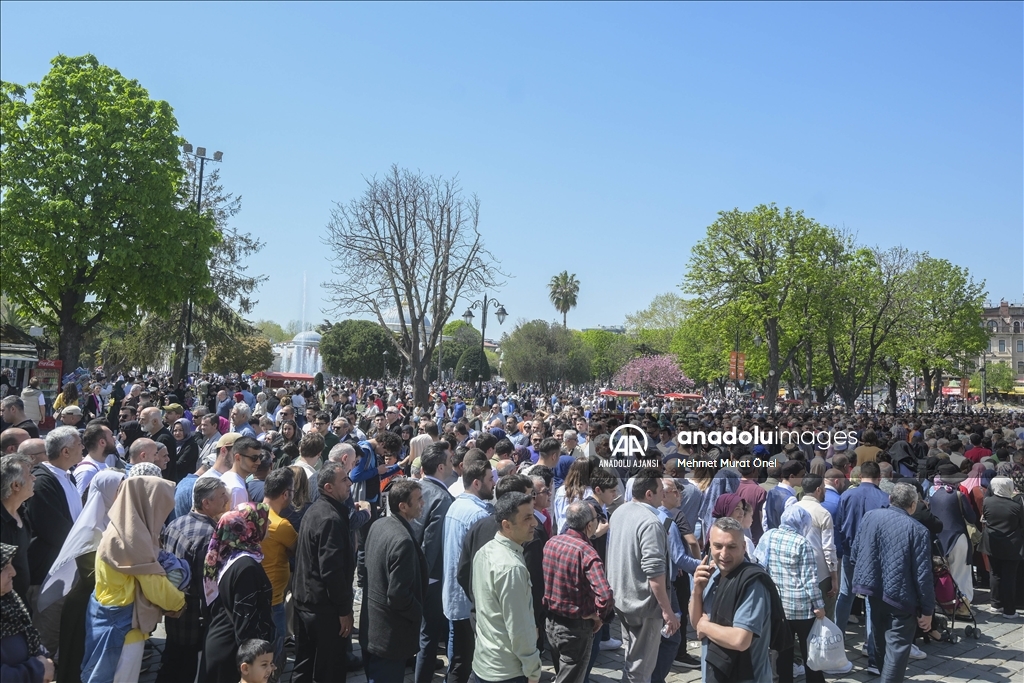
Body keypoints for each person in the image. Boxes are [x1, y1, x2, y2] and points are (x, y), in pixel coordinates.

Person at [81, 476, 187, 683]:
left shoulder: (121, 529)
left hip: (109, 616)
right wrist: (179, 602)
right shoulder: (130, 539)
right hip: (122, 626)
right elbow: (153, 584)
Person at [40, 470, 123, 683]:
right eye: (119, 490)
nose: (123, 495)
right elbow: (92, 576)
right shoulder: (90, 528)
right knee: (76, 663)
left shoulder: (110, 522)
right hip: (83, 609)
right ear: (107, 493)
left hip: (97, 606)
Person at [851, 483, 934, 681]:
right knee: (897, 646)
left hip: (873, 590)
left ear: (890, 499)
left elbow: (855, 553)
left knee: (879, 639)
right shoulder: (918, 530)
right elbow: (923, 574)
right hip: (901, 596)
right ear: (913, 505)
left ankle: (884, 676)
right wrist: (928, 610)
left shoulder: (870, 516)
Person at [690, 517, 782, 683]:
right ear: (710, 545)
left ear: (743, 546)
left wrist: (705, 626)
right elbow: (695, 623)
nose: (724, 554)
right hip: (714, 674)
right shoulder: (711, 574)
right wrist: (697, 591)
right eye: (718, 546)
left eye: (731, 547)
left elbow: (740, 640)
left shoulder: (752, 583)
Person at [606, 473, 678, 683]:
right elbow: (655, 571)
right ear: (649, 494)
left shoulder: (620, 511)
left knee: (631, 655)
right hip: (643, 605)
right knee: (641, 667)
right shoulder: (651, 523)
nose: (663, 495)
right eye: (661, 491)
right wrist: (667, 611)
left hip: (621, 597)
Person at [157, 477, 230, 683]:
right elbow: (206, 587)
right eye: (222, 496)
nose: (227, 500)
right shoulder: (209, 537)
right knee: (186, 670)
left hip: (173, 613)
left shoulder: (176, 522)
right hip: (193, 620)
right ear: (206, 503)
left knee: (170, 663)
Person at [291, 461, 355, 683]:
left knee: (305, 663)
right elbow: (332, 570)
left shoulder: (317, 510)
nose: (350, 483)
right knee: (330, 668)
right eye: (344, 480)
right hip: (322, 608)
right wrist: (344, 610)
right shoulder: (330, 518)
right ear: (328, 488)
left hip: (307, 601)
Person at [470, 491, 542, 683]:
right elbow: (520, 629)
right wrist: (533, 671)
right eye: (527, 518)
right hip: (508, 672)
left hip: (483, 663)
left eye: (533, 514)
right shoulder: (511, 568)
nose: (534, 522)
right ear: (506, 525)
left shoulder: (485, 551)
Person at [200, 502, 274, 683]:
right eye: (263, 519)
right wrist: (258, 666)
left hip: (221, 641)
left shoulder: (228, 555)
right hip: (233, 655)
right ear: (249, 528)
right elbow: (245, 624)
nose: (269, 523)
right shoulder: (246, 567)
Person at [26, 426, 84, 655]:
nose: (83, 447)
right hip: (46, 577)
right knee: (44, 642)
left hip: (64, 573)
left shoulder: (66, 477)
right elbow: (55, 530)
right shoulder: (43, 482)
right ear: (65, 451)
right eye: (79, 444)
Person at [542, 501, 614, 683]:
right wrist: (599, 616)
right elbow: (605, 595)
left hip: (551, 623)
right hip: (576, 628)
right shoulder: (587, 553)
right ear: (589, 525)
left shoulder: (551, 543)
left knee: (562, 673)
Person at [363, 479, 427, 682]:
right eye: (418, 500)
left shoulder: (378, 524)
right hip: (390, 634)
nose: (422, 503)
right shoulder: (403, 541)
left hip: (372, 628)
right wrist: (418, 612)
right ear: (403, 506)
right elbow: (398, 595)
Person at [753, 506, 826, 683]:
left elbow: (759, 563)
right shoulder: (802, 543)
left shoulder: (769, 535)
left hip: (779, 606)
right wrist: (819, 606)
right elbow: (810, 580)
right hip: (802, 608)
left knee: (784, 651)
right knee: (810, 651)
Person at [442, 459, 494, 683]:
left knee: (457, 656)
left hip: (454, 595)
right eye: (490, 480)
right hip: (468, 600)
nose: (494, 484)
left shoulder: (455, 505)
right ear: (476, 483)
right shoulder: (478, 515)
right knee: (463, 662)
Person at [408, 443, 455, 683]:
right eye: (449, 461)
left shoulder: (411, 488)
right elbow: (432, 543)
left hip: (408, 571)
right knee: (428, 636)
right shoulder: (443, 498)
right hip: (430, 577)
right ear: (440, 466)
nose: (452, 465)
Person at [259, 468, 298, 673]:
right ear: (285, 494)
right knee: (274, 651)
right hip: (274, 599)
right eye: (292, 491)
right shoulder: (281, 524)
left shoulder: (250, 511)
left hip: (256, 594)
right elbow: (298, 550)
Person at [0, 542, 54, 683]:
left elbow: (28, 634)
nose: (13, 572)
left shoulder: (9, 600)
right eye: (4, 567)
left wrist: (43, 657)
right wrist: (37, 670)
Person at [981, 477, 1024, 618]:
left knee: (995, 573)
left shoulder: (987, 502)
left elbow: (986, 518)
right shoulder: (1016, 506)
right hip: (1012, 545)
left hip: (992, 543)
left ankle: (996, 604)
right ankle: (1009, 610)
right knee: (1009, 577)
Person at [1, 453, 35, 606]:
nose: (34, 478)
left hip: (21, 601)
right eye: (29, 475)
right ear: (15, 485)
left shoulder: (23, 512)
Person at [222, 436, 262, 508]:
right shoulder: (237, 489)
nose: (258, 462)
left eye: (260, 457)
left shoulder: (226, 476)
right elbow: (237, 519)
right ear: (238, 458)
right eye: (254, 458)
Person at [171, 418, 200, 484]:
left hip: (185, 480)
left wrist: (166, 465)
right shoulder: (174, 443)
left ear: (186, 430)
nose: (177, 433)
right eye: (175, 430)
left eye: (181, 430)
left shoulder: (191, 445)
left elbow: (180, 464)